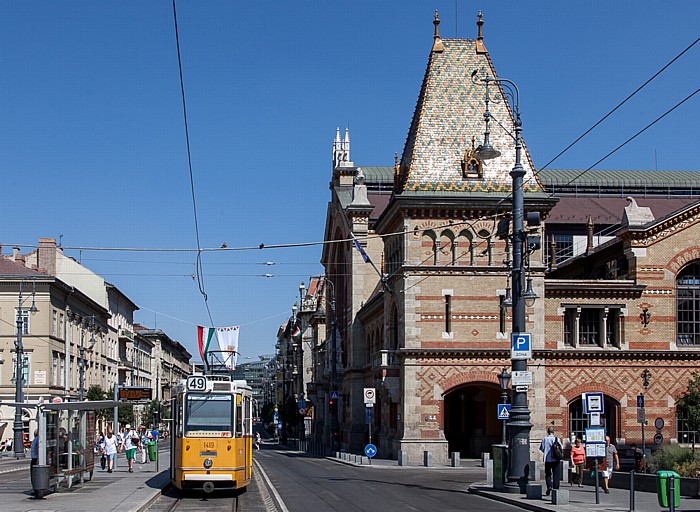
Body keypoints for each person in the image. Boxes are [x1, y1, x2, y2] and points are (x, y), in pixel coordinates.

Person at [539, 426, 561, 496]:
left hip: (547, 459)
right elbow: (561, 448)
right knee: (556, 474)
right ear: (553, 432)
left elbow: (542, 448)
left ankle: (549, 486)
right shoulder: (557, 439)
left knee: (548, 474)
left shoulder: (545, 439)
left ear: (547, 431)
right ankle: (556, 488)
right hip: (555, 459)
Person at [30, 430, 39, 495]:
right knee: (34, 474)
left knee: (34, 474)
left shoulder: (37, 440)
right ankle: (36, 489)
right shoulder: (36, 439)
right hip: (35, 458)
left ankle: (36, 489)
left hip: (35, 459)